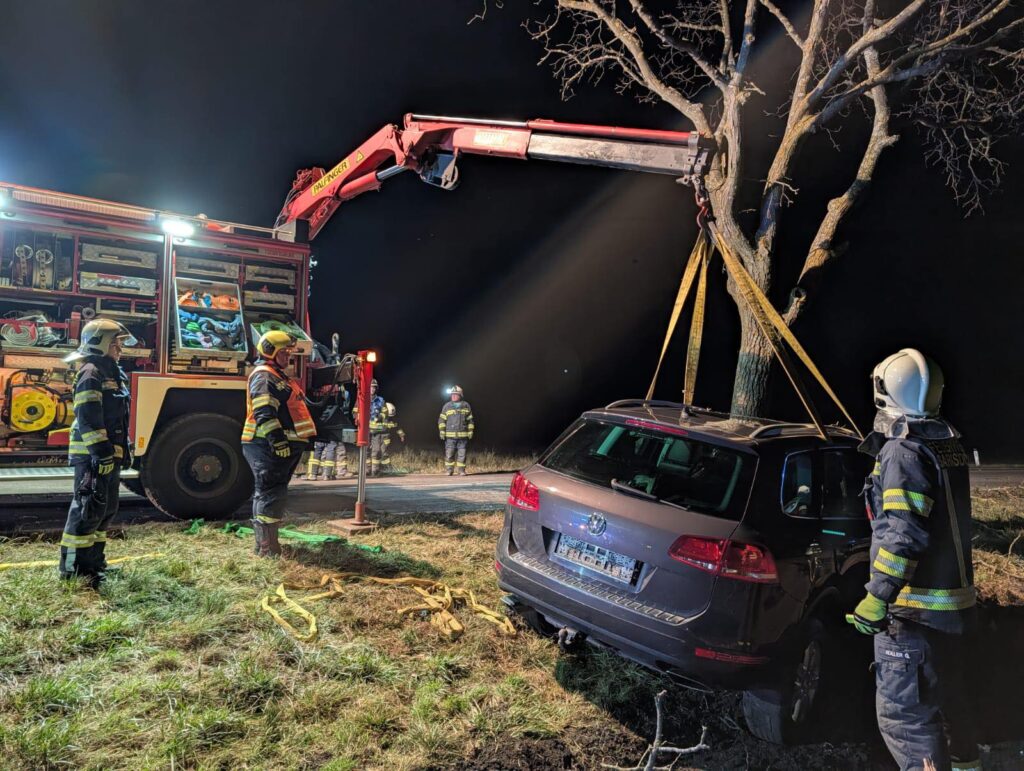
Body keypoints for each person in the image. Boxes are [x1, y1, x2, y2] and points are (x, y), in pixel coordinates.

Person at [848, 349, 979, 771]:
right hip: (952, 615)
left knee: (906, 720)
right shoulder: (944, 446)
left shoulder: (903, 452)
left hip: (912, 617)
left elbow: (903, 532)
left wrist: (879, 594)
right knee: (950, 710)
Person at [59, 319, 135, 587]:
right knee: (87, 510)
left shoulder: (112, 371)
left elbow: (118, 418)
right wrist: (101, 453)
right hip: (92, 457)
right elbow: (89, 417)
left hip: (106, 456)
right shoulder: (92, 372)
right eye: (116, 344)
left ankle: (94, 564)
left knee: (105, 509)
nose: (120, 349)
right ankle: (73, 571)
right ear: (101, 343)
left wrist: (121, 450)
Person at [241, 330, 316, 557]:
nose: (289, 357)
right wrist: (278, 442)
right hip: (267, 446)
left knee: (271, 493)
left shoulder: (277, 376)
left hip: (273, 446)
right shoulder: (265, 376)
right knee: (269, 493)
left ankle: (267, 546)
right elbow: (264, 412)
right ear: (270, 352)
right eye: (284, 352)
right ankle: (267, 550)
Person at [306, 385, 351, 480]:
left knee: (318, 449)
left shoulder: (318, 395)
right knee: (330, 449)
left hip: (320, 425)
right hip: (333, 427)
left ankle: (313, 474)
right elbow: (344, 404)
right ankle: (327, 475)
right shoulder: (337, 395)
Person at [352, 378, 386, 476]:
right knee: (365, 450)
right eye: (370, 387)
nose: (372, 389)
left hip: (376, 430)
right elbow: (354, 412)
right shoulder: (361, 399)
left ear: (376, 389)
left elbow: (384, 413)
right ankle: (366, 470)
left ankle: (375, 471)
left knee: (376, 450)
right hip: (365, 430)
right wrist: (358, 418)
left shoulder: (380, 400)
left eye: (374, 388)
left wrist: (380, 417)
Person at [438, 385, 474, 476]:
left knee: (462, 454)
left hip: (463, 436)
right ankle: (449, 470)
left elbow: (470, 420)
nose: (453, 396)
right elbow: (441, 420)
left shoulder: (466, 405)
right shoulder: (447, 406)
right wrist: (442, 431)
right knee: (449, 454)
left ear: (460, 395)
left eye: (456, 394)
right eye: (452, 394)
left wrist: (470, 431)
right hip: (450, 436)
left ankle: (461, 470)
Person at [379, 402, 406, 474]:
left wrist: (401, 435)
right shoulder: (379, 417)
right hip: (377, 438)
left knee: (384, 452)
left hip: (386, 438)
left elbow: (398, 427)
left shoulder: (392, 419)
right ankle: (379, 468)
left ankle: (387, 467)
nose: (389, 417)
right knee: (377, 453)